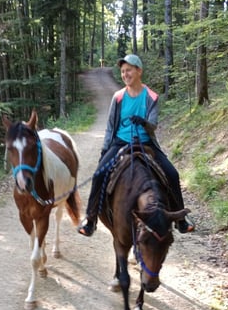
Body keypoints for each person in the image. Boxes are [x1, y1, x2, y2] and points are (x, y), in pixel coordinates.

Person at [78, 54, 194, 237]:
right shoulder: (117, 97)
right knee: (99, 174)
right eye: (123, 72)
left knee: (172, 173)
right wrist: (104, 150)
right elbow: (110, 127)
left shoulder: (151, 97)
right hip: (121, 142)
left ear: (139, 71)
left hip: (145, 142)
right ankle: (90, 219)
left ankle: (180, 219)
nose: (125, 74)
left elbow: (153, 124)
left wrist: (143, 122)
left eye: (129, 70)